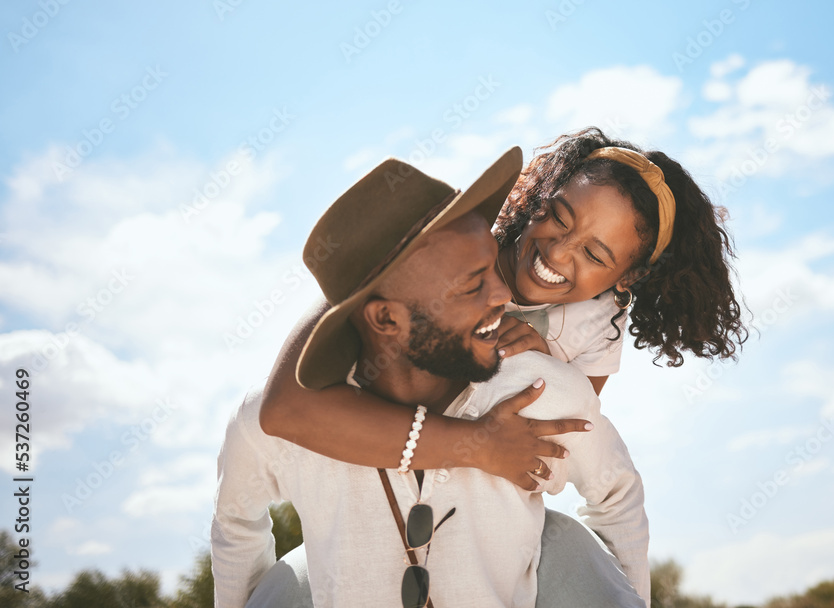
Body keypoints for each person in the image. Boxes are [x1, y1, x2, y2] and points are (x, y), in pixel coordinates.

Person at [211, 148, 650, 607]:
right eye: (473, 283)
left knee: (564, 539)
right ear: (385, 320)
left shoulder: (541, 393)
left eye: (491, 266)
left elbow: (618, 495)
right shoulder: (273, 422)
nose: (505, 295)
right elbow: (235, 520)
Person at [259, 127, 748, 490]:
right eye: (558, 216)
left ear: (627, 279)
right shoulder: (455, 243)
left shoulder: (600, 325)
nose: (557, 254)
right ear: (540, 196)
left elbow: (562, 443)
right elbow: (284, 409)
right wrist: (476, 446)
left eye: (595, 254)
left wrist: (545, 361)